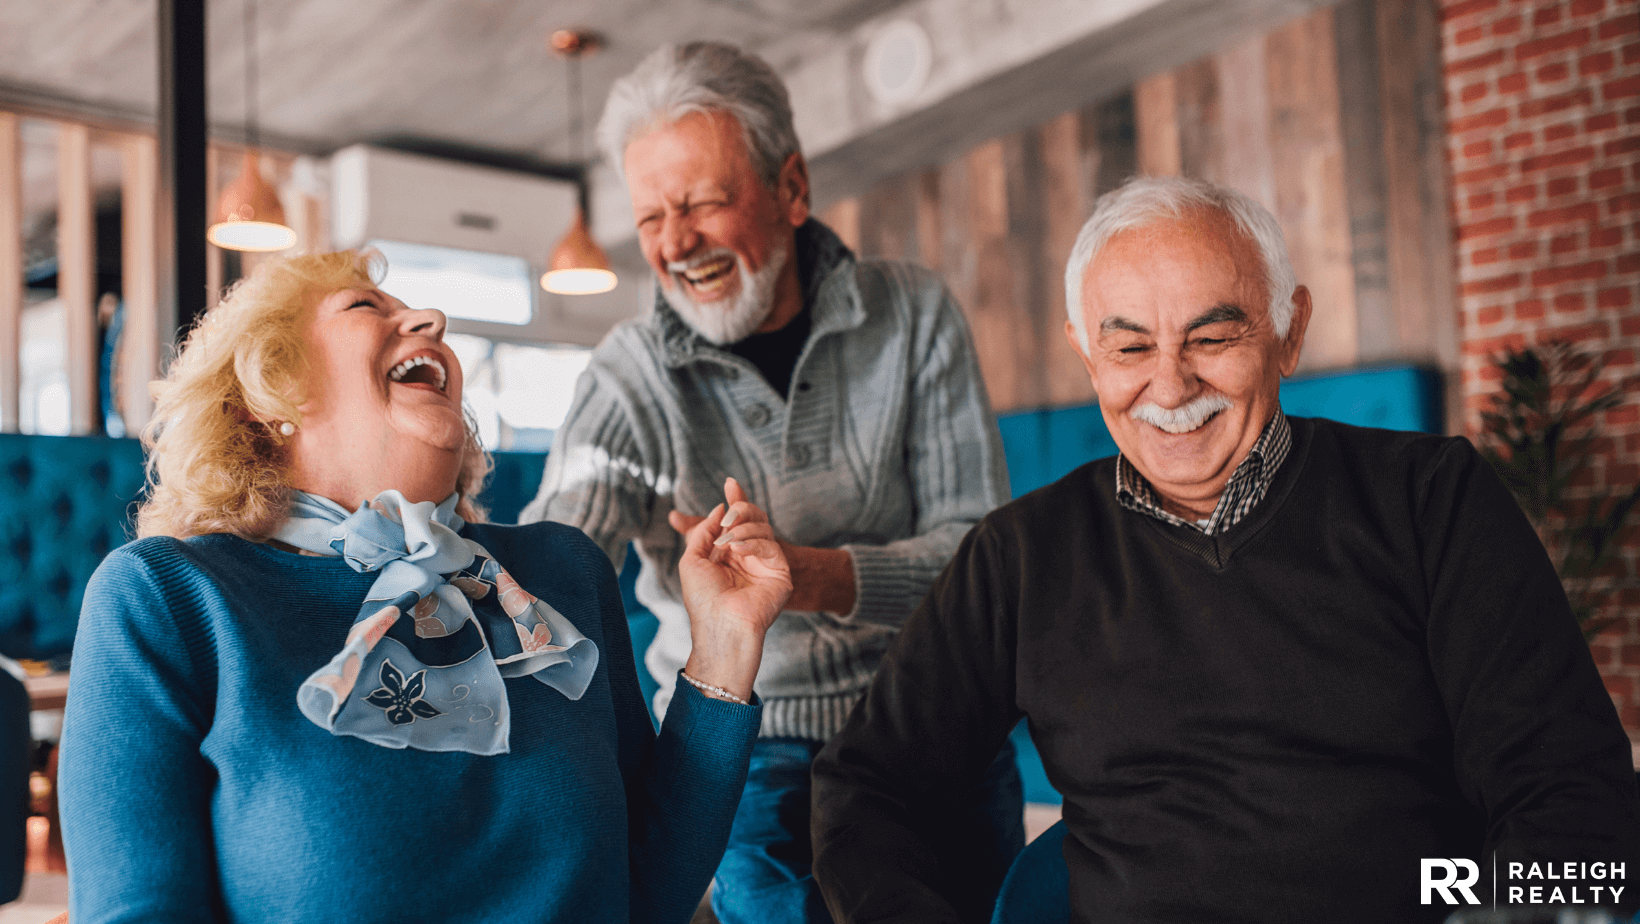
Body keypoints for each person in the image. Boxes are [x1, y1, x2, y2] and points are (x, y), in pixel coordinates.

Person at [810, 175, 1640, 923]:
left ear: (1290, 329)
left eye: (1213, 337)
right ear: (1085, 352)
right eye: (1130, 347)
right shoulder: (1020, 557)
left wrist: (1496, 906)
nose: (1169, 387)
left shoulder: (1432, 501)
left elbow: (1572, 794)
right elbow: (869, 787)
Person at [58, 250, 792, 924]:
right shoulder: (166, 598)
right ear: (268, 395)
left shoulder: (560, 573)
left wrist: (726, 647)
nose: (430, 321)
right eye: (363, 307)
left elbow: (646, 892)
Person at [520, 41, 1023, 924]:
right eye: (649, 218)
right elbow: (555, 561)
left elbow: (980, 561)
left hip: (933, 718)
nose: (675, 243)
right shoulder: (628, 378)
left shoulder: (911, 314)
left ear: (791, 189)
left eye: (704, 203)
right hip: (752, 747)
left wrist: (809, 576)